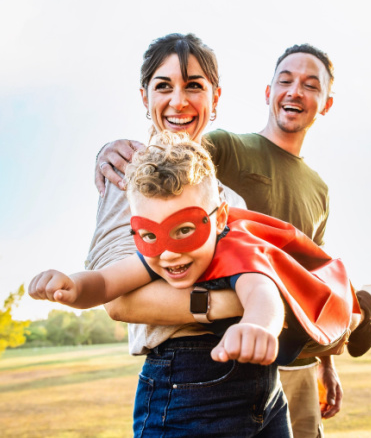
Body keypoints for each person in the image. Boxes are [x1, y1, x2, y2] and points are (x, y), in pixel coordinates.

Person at [93, 41, 371, 437]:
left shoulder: (229, 193)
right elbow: (116, 299)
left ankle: (349, 314)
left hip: (265, 372)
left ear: (215, 97)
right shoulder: (181, 160)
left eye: (194, 86)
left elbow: (301, 260)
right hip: (192, 370)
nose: (179, 101)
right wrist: (256, 302)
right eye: (163, 86)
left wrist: (325, 353)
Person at [29, 132, 292, 437]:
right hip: (185, 397)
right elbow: (104, 283)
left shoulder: (237, 247)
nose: (169, 253)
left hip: (268, 399)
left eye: (184, 230)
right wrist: (72, 287)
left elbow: (262, 291)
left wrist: (259, 325)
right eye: (150, 235)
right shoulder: (157, 255)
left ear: (220, 219)